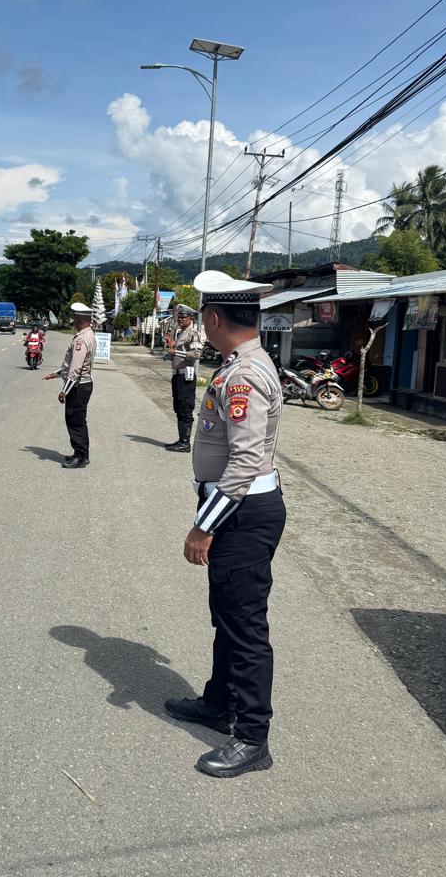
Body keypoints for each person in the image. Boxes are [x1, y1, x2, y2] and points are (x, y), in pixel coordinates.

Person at [164, 270, 286, 779]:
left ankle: (252, 738)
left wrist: (203, 527)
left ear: (214, 318)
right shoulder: (239, 364)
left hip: (242, 515)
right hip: (238, 511)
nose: (202, 326)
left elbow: (244, 462)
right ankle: (219, 703)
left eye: (202, 318)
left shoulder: (244, 375)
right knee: (227, 617)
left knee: (245, 628)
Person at [43, 302, 95, 469]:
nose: (73, 320)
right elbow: (72, 364)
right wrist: (57, 373)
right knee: (79, 420)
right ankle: (82, 454)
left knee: (74, 421)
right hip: (83, 384)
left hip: (78, 386)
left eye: (74, 317)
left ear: (79, 319)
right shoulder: (89, 334)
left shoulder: (81, 339)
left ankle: (80, 457)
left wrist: (64, 391)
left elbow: (75, 368)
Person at [164, 304, 204, 452]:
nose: (180, 320)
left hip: (186, 376)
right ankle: (181, 440)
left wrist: (177, 353)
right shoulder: (181, 333)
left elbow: (196, 354)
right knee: (179, 407)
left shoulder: (193, 333)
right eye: (179, 317)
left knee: (186, 408)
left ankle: (185, 442)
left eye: (183, 317)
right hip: (178, 375)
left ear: (190, 318)